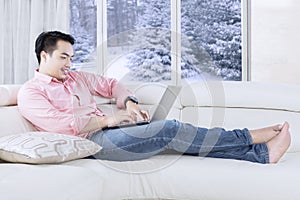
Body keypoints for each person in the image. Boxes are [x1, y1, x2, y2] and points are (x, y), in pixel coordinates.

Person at [18, 31, 291, 164]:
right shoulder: (31, 92)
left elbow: (112, 85)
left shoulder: (77, 79)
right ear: (44, 55)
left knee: (179, 136)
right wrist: (112, 119)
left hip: (114, 130)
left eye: (72, 57)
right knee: (170, 129)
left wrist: (131, 104)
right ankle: (248, 137)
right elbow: (61, 125)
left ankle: (260, 155)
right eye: (63, 57)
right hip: (92, 146)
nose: (69, 63)